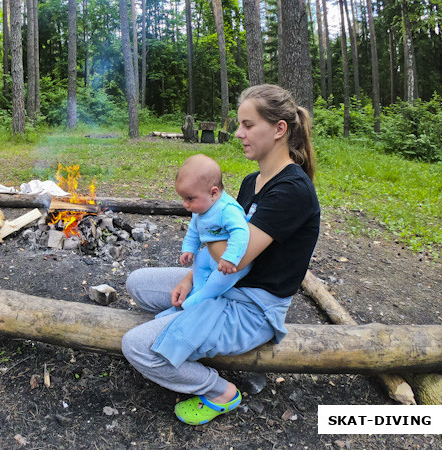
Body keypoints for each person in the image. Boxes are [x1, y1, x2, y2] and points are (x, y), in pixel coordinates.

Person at [121, 84, 320, 426]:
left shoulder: (292, 191)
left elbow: (236, 257)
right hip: (223, 282)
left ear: (279, 129)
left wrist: (204, 227)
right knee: (138, 283)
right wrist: (189, 277)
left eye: (247, 125)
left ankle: (219, 391)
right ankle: (185, 324)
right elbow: (221, 248)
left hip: (251, 307)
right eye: (239, 124)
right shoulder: (250, 182)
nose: (238, 133)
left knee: (136, 346)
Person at [156, 153, 250, 318]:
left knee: (220, 280)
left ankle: (199, 299)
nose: (185, 204)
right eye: (183, 199)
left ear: (213, 193)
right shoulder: (201, 209)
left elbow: (241, 232)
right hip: (210, 254)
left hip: (230, 260)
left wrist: (230, 258)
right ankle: (196, 293)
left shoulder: (227, 209)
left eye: (190, 198)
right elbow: (194, 230)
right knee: (199, 261)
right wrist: (188, 249)